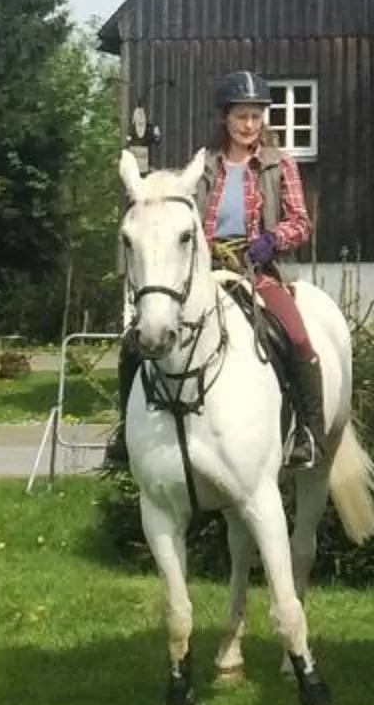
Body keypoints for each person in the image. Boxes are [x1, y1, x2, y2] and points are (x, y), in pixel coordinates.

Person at [104, 72, 327, 473]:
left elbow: (301, 222)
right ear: (225, 118)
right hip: (204, 272)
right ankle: (124, 433)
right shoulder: (203, 166)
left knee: (297, 339)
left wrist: (272, 240)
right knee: (133, 343)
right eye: (242, 116)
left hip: (258, 271)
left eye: (257, 116)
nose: (249, 125)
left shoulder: (281, 166)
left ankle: (309, 432)